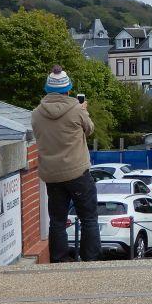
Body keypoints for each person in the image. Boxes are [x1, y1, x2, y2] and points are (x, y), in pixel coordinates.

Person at [31, 65, 100, 263]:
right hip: (78, 173)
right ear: (67, 89)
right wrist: (83, 110)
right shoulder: (76, 110)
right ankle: (90, 260)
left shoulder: (36, 114)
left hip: (52, 175)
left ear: (47, 90)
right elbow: (90, 130)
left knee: (58, 222)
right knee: (88, 218)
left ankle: (59, 260)